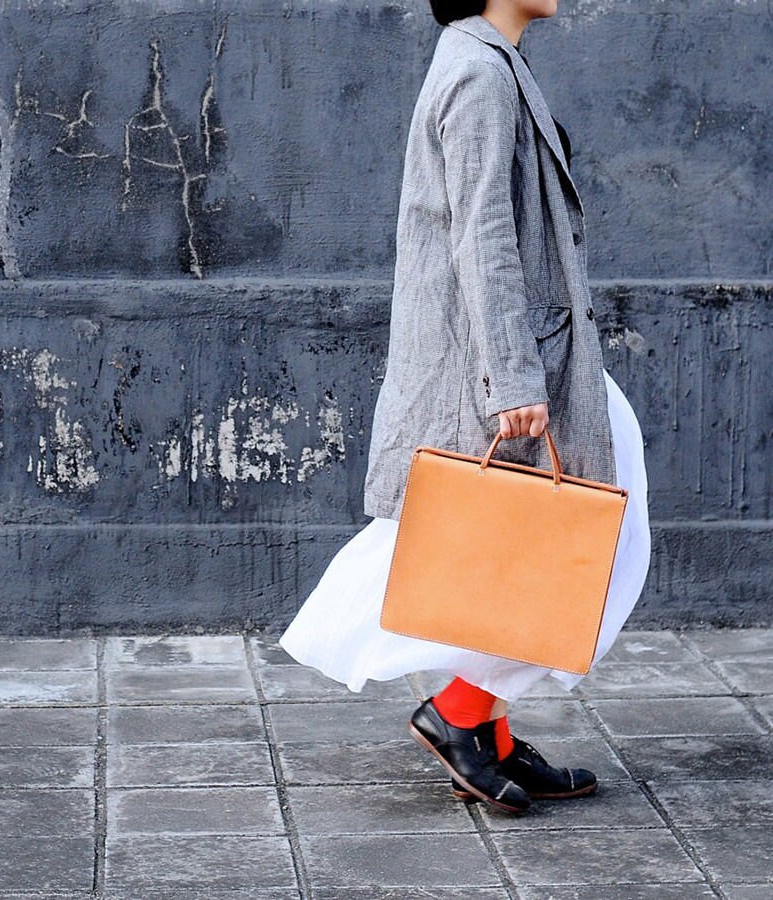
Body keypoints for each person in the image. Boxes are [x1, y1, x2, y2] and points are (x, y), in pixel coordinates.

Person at [278, 0, 652, 815]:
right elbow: (481, 234)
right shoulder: (479, 74)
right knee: (572, 544)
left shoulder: (489, 60)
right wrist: (513, 379)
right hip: (505, 360)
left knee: (537, 545)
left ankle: (488, 732)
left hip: (531, 348)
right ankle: (458, 717)